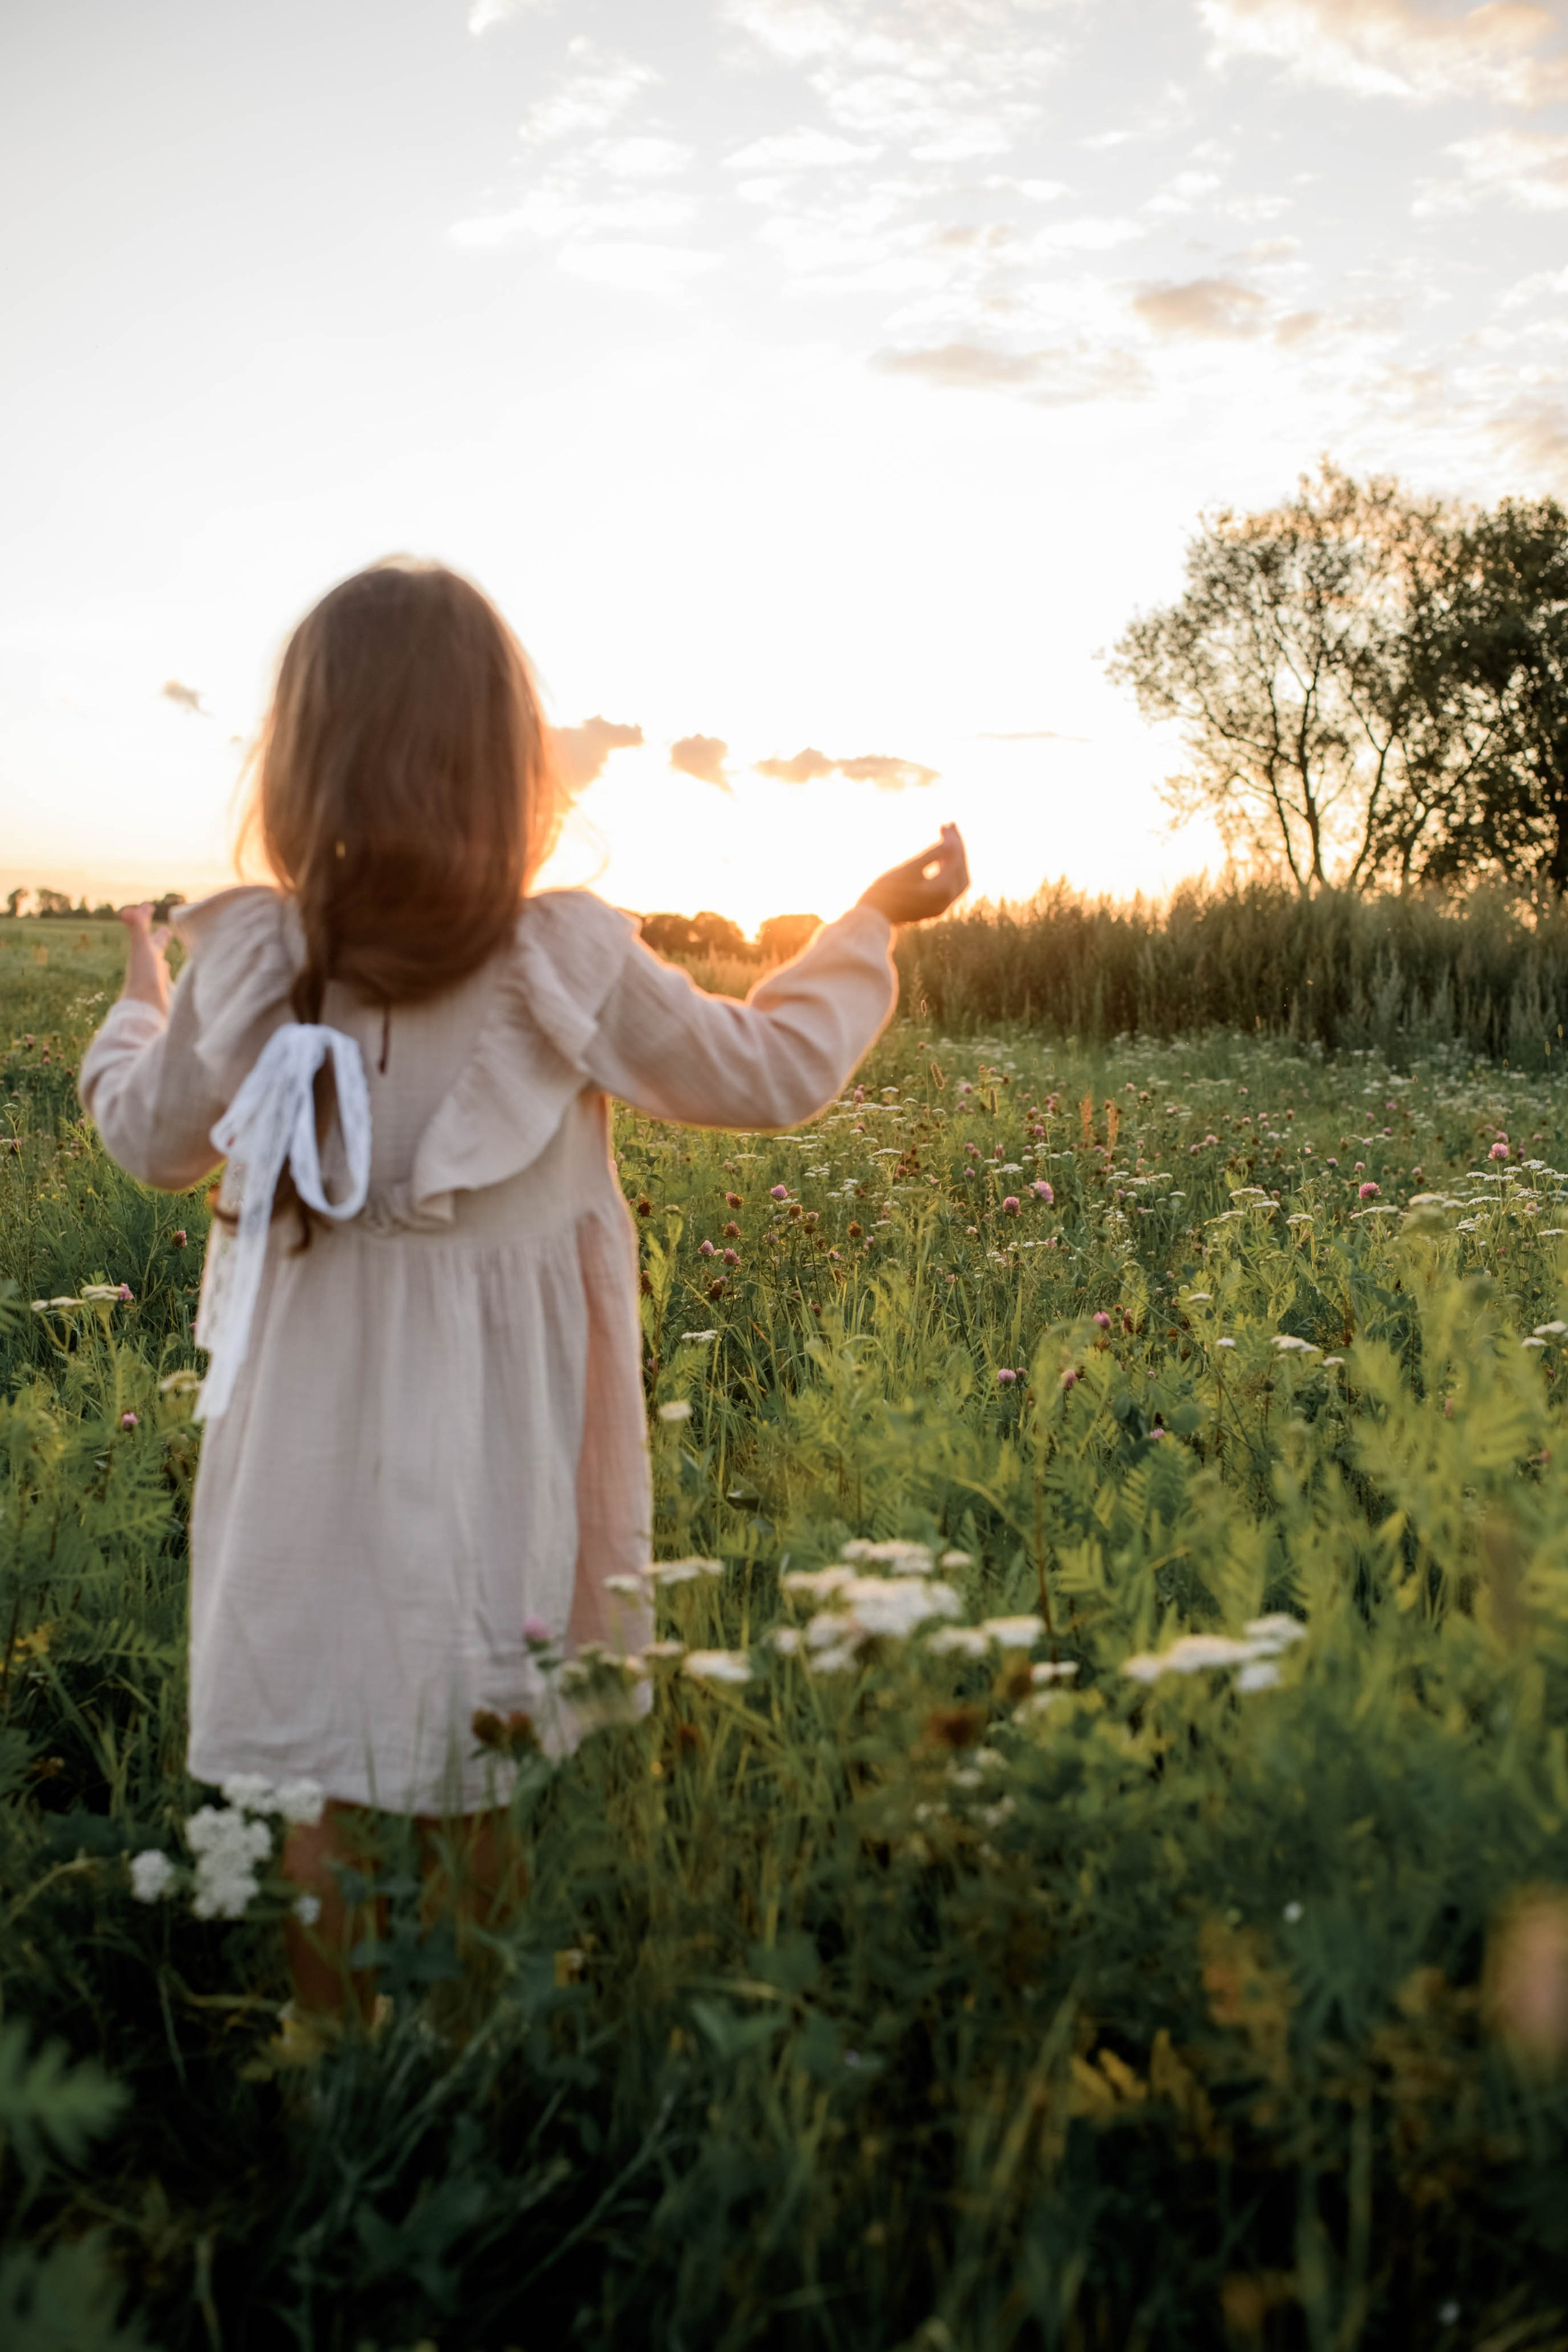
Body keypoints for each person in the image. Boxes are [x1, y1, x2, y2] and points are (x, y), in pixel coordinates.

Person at [80, 556, 968, 2019]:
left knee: (324, 1751)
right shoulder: (559, 955)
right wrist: (867, 921)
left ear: (298, 768)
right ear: (507, 769)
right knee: (475, 1724)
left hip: (307, 1434)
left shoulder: (251, 956)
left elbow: (146, 1135)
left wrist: (139, 990)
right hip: (497, 1438)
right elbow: (775, 1071)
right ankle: (468, 2069)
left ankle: (341, 2081)